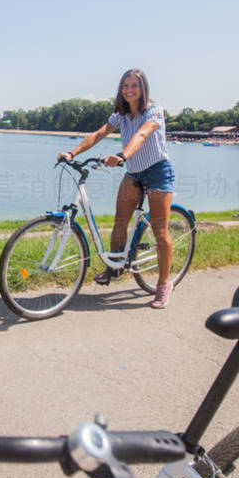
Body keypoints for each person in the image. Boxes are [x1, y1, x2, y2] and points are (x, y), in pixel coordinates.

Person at [57, 68, 176, 308]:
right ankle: (114, 270)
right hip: (133, 172)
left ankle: (163, 285)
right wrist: (72, 152)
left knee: (160, 231)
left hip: (158, 171)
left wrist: (122, 155)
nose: (129, 90)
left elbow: (142, 134)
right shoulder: (120, 115)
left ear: (143, 89)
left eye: (134, 85)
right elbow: (99, 133)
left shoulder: (154, 110)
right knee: (120, 222)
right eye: (125, 86)